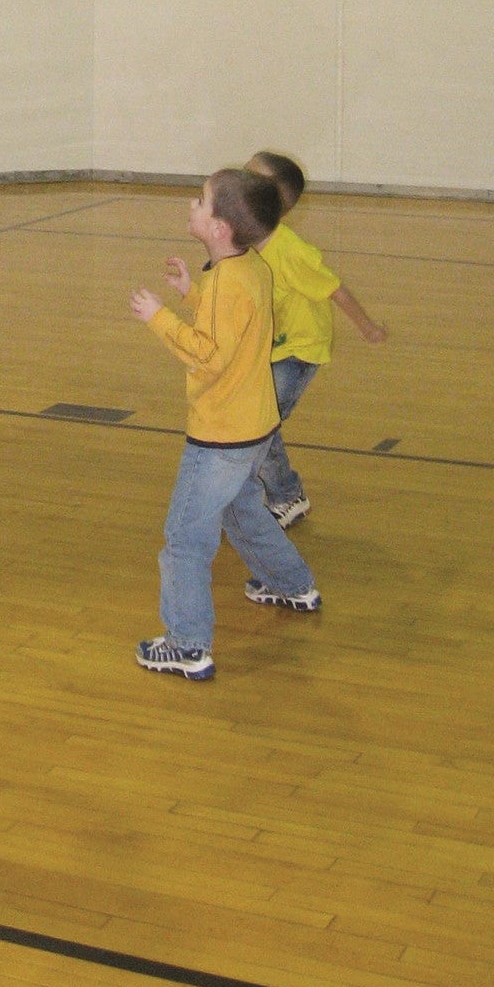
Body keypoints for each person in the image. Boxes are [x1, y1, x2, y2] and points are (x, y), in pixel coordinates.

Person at [129, 169, 321, 682]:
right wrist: (193, 293)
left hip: (220, 438)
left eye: (200, 202)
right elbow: (233, 320)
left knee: (186, 540)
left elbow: (208, 354)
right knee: (243, 512)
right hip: (255, 427)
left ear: (218, 228)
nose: (191, 205)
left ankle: (187, 644)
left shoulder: (231, 281)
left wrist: (160, 317)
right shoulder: (248, 268)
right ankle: (292, 583)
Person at [246, 151, 387, 528]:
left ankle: (286, 496)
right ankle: (263, 491)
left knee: (262, 422)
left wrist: (367, 327)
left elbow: (336, 290)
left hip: (301, 349)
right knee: (255, 419)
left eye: (250, 175)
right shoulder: (245, 240)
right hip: (273, 345)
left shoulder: (290, 250)